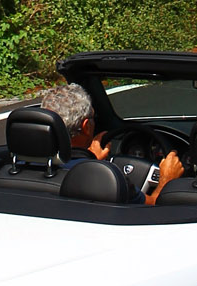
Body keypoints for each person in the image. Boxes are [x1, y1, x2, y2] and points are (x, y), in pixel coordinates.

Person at [37, 83, 185, 203]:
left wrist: (89, 160)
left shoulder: (22, 164)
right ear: (86, 126)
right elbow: (152, 206)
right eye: (94, 117)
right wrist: (167, 180)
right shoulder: (104, 178)